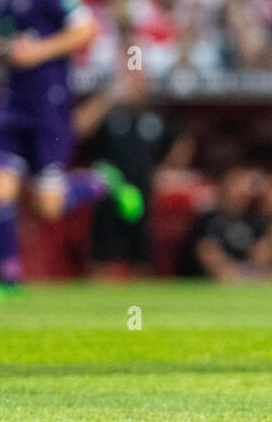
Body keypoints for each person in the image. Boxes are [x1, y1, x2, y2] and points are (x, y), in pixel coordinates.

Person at [0, 0, 142, 302]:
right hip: (11, 104)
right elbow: (16, 48)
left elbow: (86, 29)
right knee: (0, 190)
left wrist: (42, 51)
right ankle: (9, 280)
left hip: (48, 103)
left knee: (50, 206)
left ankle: (102, 181)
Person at [74, 59, 192, 279]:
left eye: (141, 79)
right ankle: (98, 306)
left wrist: (166, 170)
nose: (137, 84)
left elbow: (181, 144)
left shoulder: (156, 116)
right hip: (108, 192)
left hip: (142, 195)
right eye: (131, 79)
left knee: (141, 256)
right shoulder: (109, 112)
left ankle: (141, 308)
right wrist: (108, 97)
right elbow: (78, 127)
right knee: (103, 255)